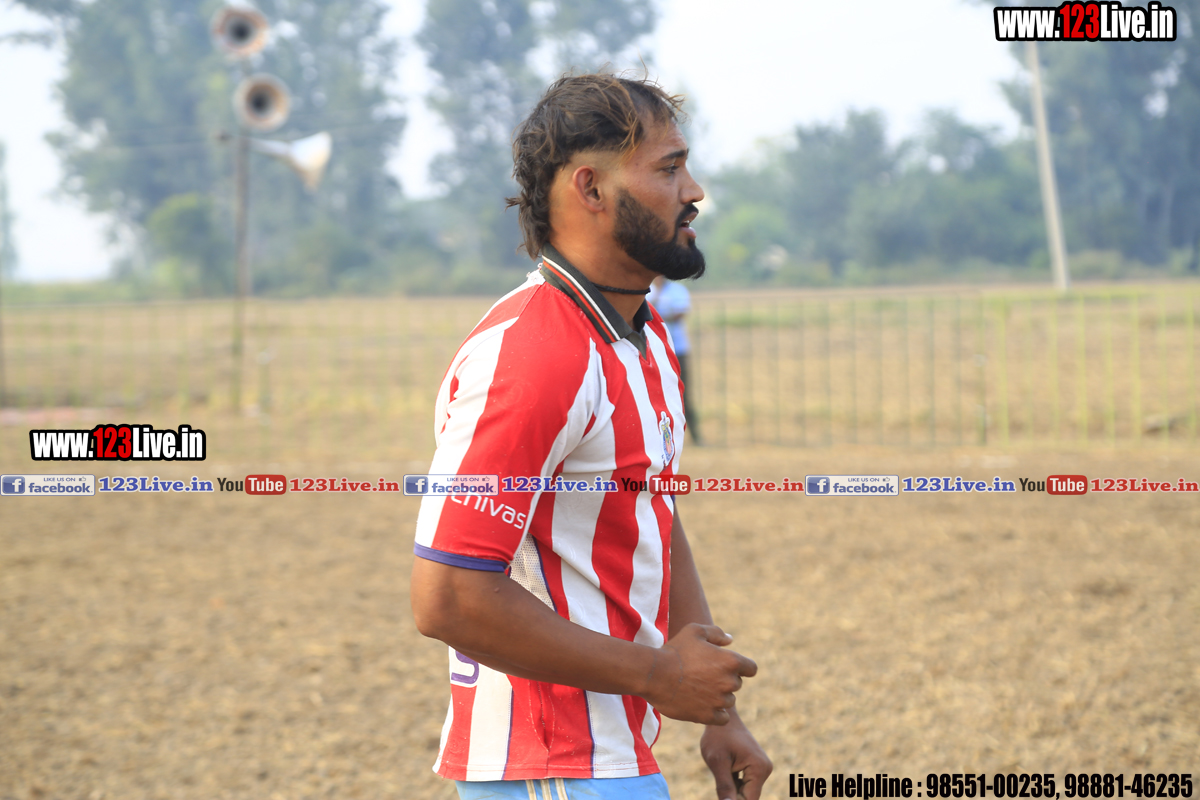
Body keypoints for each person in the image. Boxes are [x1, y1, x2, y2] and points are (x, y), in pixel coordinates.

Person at [410, 72, 772, 800]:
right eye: (669, 168)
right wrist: (658, 674)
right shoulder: (535, 354)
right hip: (550, 766)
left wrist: (719, 711)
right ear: (591, 188)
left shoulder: (642, 336)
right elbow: (448, 597)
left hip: (611, 757)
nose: (694, 190)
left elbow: (651, 510)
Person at [648, 275, 701, 443]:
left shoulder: (678, 290)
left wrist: (655, 316)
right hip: (655, 350)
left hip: (678, 349)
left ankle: (695, 436)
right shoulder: (648, 291)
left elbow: (679, 314)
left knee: (683, 393)